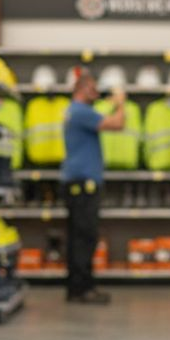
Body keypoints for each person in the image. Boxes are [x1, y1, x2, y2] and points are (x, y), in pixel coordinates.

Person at [61, 67, 127, 305]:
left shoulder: (77, 112)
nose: (97, 92)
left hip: (77, 183)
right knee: (85, 237)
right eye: (93, 88)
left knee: (78, 236)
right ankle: (83, 289)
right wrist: (121, 103)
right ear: (81, 88)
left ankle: (76, 288)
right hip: (83, 185)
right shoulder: (81, 112)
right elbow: (118, 124)